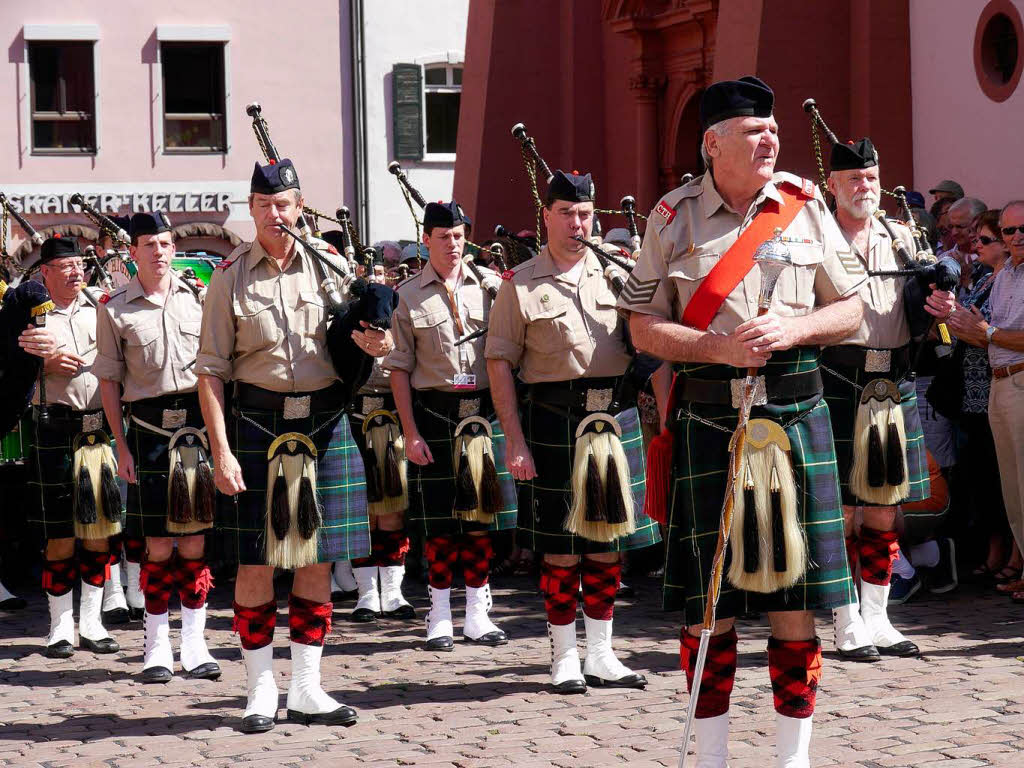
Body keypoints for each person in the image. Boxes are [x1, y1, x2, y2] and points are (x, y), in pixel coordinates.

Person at [618, 77, 865, 767]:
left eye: (773, 128)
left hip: (795, 409)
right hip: (708, 416)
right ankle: (714, 757)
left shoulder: (804, 205)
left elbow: (852, 310)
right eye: (754, 130)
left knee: (798, 595)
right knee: (709, 598)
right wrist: (712, 347)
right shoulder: (672, 216)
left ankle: (794, 759)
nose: (771, 139)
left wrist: (791, 329)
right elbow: (641, 327)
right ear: (713, 143)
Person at [196, 159, 391, 732]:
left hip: (325, 426)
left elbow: (364, 334)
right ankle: (259, 688)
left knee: (318, 560)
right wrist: (222, 451)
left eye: (284, 205)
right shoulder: (228, 277)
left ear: (299, 206)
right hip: (257, 428)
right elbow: (209, 371)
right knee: (255, 562)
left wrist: (376, 339)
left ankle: (307, 688)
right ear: (251, 210)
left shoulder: (329, 268)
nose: (275, 216)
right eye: (263, 207)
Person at [486, 169, 660, 695]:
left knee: (607, 542)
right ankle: (564, 655)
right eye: (566, 213)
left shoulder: (617, 277)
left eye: (584, 213)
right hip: (552, 421)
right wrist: (513, 439)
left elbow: (651, 337)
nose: (577, 223)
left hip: (614, 420)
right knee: (560, 546)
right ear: (547, 217)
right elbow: (499, 363)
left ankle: (602, 652)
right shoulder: (522, 284)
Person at [820, 137, 954, 662]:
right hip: (835, 378)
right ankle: (844, 617)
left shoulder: (901, 237)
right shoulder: (817, 237)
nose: (865, 187)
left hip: (891, 379)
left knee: (884, 506)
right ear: (833, 185)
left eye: (872, 178)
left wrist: (939, 296)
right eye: (854, 179)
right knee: (841, 511)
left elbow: (927, 293)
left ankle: (878, 617)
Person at [94, 212, 220, 684]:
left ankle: (195, 641)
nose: (160, 252)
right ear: (133, 251)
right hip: (147, 432)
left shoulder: (200, 298)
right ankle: (156, 644)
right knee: (158, 545)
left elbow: (214, 372)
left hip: (196, 430)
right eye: (150, 244)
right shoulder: (114, 309)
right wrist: (120, 446)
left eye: (166, 243)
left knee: (193, 541)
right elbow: (109, 383)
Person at [387, 200, 518, 650]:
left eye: (459, 236)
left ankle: (479, 614)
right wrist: (410, 432)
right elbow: (399, 369)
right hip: (435, 415)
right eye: (443, 237)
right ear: (426, 240)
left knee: (480, 522)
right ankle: (439, 615)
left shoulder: (490, 288)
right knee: (441, 526)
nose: (453, 244)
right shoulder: (406, 295)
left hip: (482, 415)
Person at [17, 236, 121, 658]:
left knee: (98, 531)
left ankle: (93, 623)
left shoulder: (103, 305)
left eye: (79, 264)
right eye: (65, 266)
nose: (76, 272)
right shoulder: (30, 314)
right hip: (54, 426)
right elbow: (10, 359)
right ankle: (60, 625)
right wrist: (41, 362)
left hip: (97, 428)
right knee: (59, 534)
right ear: (45, 272)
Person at [949, 201, 1024, 602]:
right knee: (1011, 490)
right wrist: (955, 321)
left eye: (1020, 230)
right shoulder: (1005, 274)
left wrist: (988, 332)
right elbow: (984, 333)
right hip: (998, 383)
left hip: (1019, 382)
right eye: (1010, 231)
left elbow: (994, 333)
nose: (1017, 237)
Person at [346, 304, 415, 624]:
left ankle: (392, 591)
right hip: (353, 420)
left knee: (392, 509)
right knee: (359, 512)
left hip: (392, 421)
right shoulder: (346, 320)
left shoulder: (402, 318)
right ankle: (366, 594)